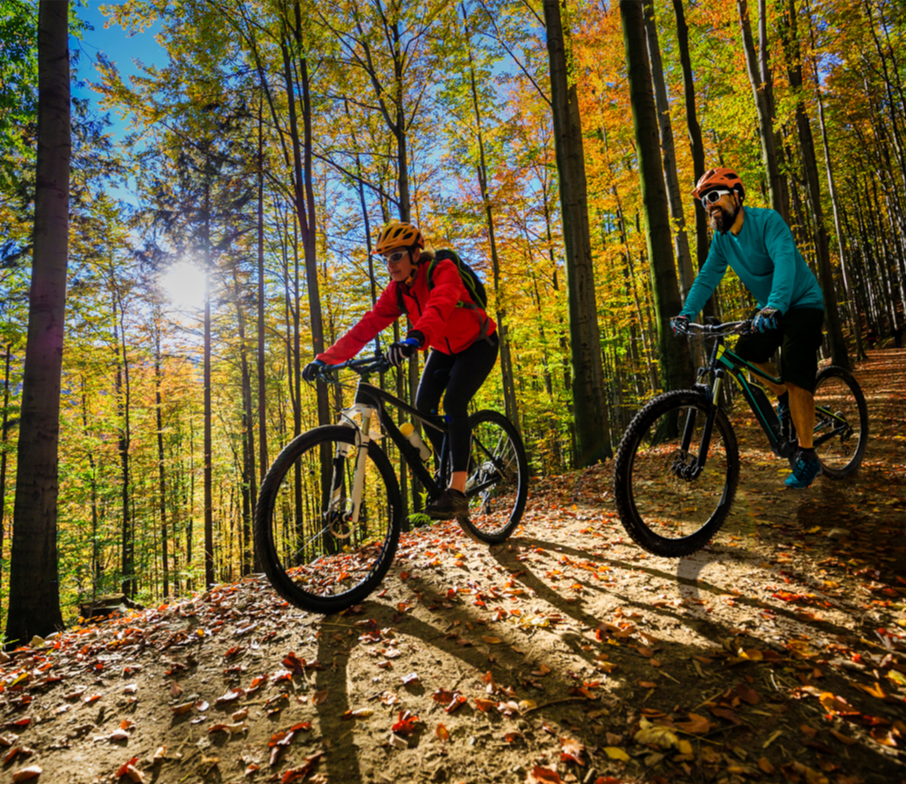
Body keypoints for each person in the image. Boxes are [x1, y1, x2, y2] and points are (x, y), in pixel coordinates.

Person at [302, 221, 499, 519]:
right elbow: (367, 326)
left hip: (479, 342)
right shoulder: (397, 291)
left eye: (396, 256)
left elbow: (441, 304)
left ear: (415, 254)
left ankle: (457, 490)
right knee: (423, 406)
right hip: (444, 348)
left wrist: (415, 338)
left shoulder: (442, 269)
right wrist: (325, 359)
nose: (390, 265)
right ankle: (457, 465)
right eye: (385, 259)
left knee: (454, 402)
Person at [671, 168, 826, 490]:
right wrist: (686, 313)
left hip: (802, 302)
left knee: (797, 373)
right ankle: (782, 396)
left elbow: (784, 261)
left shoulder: (767, 221)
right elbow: (706, 277)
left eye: (715, 196)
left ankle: (808, 456)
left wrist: (775, 305)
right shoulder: (722, 240)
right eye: (703, 202)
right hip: (771, 307)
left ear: (737, 195)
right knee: (743, 355)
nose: (709, 206)